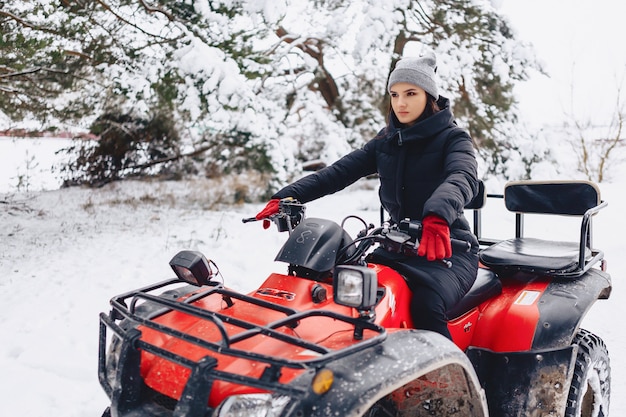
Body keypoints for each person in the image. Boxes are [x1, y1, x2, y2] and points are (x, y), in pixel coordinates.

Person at [255, 51, 479, 340]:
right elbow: (337, 173)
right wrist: (288, 196)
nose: (401, 103)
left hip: (447, 248)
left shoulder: (453, 138)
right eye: (395, 94)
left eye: (410, 93)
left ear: (429, 96)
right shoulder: (386, 142)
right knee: (349, 294)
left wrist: (437, 214)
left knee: (427, 305)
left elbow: (462, 177)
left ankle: (444, 384)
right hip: (398, 246)